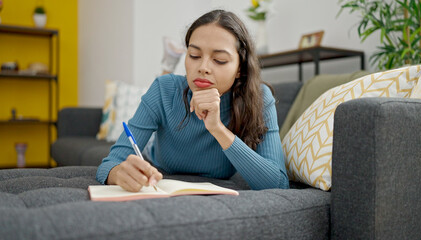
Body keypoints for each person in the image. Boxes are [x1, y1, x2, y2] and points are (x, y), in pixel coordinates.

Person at [96, 9, 289, 192]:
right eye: (194, 55)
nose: (203, 67)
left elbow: (279, 184)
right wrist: (118, 173)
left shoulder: (259, 98)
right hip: (154, 157)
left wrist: (217, 128)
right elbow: (109, 164)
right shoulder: (164, 88)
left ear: (240, 68)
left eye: (219, 60)